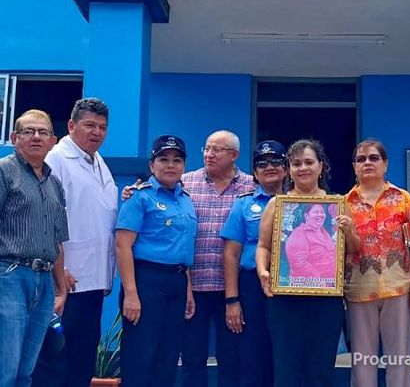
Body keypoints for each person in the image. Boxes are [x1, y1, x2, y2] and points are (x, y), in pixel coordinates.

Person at [123, 130, 253, 386]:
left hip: (232, 289)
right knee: (190, 358)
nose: (209, 154)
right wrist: (132, 191)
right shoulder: (185, 184)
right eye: (207, 148)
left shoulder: (250, 186)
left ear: (234, 155)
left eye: (217, 149)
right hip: (192, 287)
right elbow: (126, 240)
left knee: (231, 357)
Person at [255, 139, 360, 387]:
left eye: (309, 162)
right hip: (284, 300)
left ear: (321, 166)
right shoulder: (277, 204)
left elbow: (354, 250)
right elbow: (263, 246)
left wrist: (349, 230)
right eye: (297, 163)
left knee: (320, 370)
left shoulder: (338, 204)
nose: (303, 168)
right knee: (286, 368)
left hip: (326, 301)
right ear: (289, 169)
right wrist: (262, 271)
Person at [32, 98, 118, 387]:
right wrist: (59, 271)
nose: (97, 132)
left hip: (94, 281)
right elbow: (43, 216)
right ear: (71, 125)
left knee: (82, 360)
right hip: (66, 282)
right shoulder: (55, 159)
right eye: (89, 125)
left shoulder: (99, 162)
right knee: (56, 363)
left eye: (103, 127)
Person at [344, 139, 410, 387]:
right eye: (361, 159)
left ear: (385, 164)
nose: (367, 163)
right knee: (362, 360)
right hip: (359, 290)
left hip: (399, 288)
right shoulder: (343, 204)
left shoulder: (402, 199)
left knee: (400, 358)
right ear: (354, 167)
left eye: (373, 158)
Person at [115, 135, 197, 387]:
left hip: (177, 282)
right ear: (152, 165)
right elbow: (122, 245)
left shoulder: (186, 200)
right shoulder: (140, 197)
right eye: (163, 159)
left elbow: (183, 248)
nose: (170, 165)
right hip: (146, 282)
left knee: (168, 356)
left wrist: (189, 290)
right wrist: (131, 293)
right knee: (141, 355)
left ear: (184, 166)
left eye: (177, 160)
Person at [0, 110, 69, 387]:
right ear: (15, 137)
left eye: (42, 132)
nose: (36, 137)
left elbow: (58, 239)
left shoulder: (55, 184)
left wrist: (61, 287)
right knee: (5, 367)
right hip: (10, 276)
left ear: (53, 140)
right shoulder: (5, 171)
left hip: (44, 280)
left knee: (25, 371)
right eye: (28, 131)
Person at [220, 140, 287, 387]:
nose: (269, 167)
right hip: (252, 288)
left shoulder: (299, 202)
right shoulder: (244, 204)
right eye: (262, 163)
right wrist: (232, 300)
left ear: (286, 168)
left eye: (276, 161)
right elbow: (231, 255)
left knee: (285, 355)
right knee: (252, 356)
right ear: (255, 173)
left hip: (291, 287)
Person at [286, 203, 337, 280]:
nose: (320, 215)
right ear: (306, 216)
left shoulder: (324, 232)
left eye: (322, 212)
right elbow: (300, 265)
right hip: (310, 286)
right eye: (316, 212)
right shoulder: (299, 234)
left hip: (332, 284)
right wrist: (323, 280)